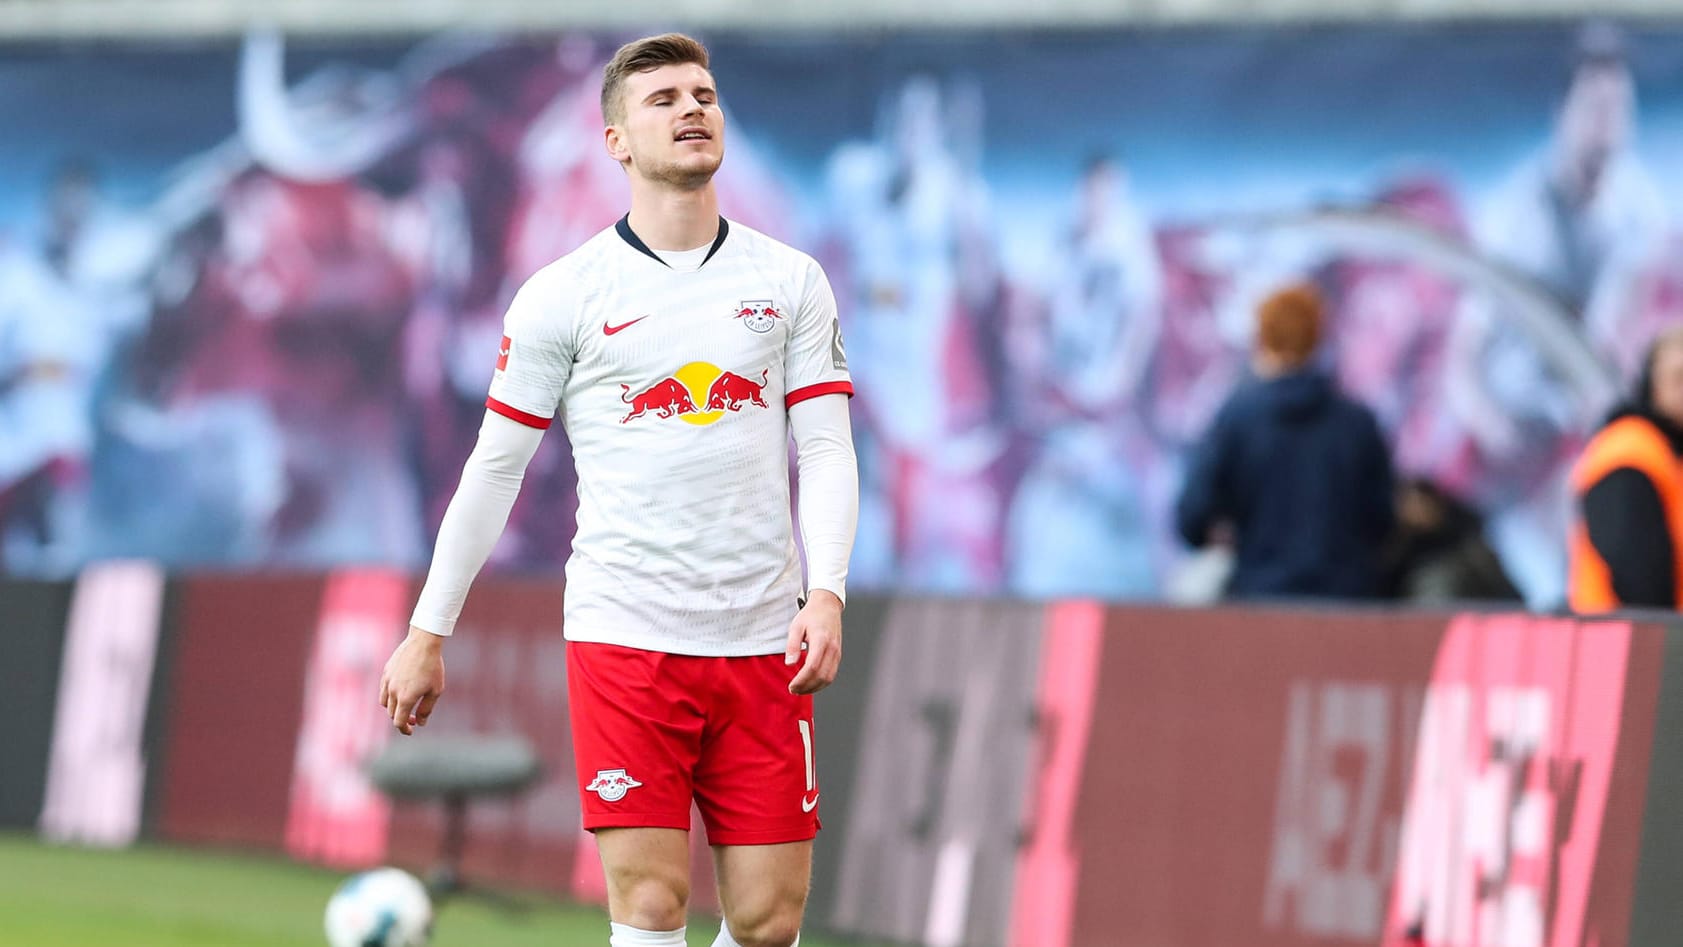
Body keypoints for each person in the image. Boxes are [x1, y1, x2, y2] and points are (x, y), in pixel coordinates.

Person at [378, 34, 858, 947]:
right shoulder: (562, 294)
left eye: (703, 95)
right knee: (649, 905)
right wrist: (427, 631)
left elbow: (827, 448)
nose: (691, 110)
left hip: (763, 639)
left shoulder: (790, 280)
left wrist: (826, 590)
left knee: (768, 921)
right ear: (616, 142)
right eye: (663, 100)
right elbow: (494, 468)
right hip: (626, 636)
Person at [1174, 283, 1394, 599]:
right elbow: (1381, 520)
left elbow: (1192, 516)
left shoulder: (1237, 418)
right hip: (1346, 601)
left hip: (1260, 597)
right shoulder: (1357, 423)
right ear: (1317, 337)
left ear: (1261, 338)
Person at [1569, 327, 1683, 612]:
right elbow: (1640, 580)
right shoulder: (1629, 450)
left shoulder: (1666, 451)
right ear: (1653, 387)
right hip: (1633, 634)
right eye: (1679, 378)